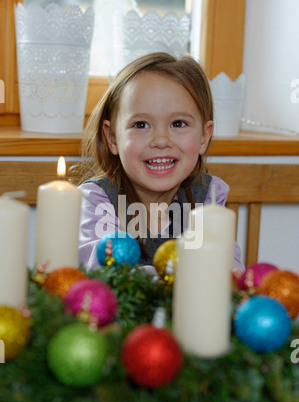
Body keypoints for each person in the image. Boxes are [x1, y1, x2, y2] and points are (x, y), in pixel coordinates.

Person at [72, 52, 244, 274]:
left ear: (204, 137)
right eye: (141, 125)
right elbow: (103, 274)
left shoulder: (207, 198)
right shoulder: (97, 201)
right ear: (113, 138)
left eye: (178, 123)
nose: (161, 140)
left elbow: (229, 274)